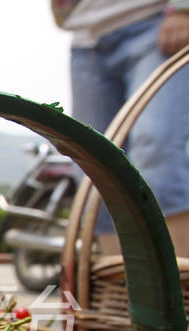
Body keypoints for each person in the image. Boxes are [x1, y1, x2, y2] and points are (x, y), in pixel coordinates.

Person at [52, 0, 189, 256]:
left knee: (156, 145)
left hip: (158, 20)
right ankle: (121, 286)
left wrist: (184, 8)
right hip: (87, 36)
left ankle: (181, 285)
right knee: (94, 163)